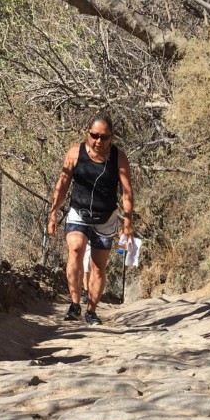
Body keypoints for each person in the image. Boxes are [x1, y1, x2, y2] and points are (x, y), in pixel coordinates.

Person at [48, 114, 134, 325]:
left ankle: (91, 311)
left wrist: (128, 224)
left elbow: (127, 192)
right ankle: (75, 304)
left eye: (104, 137)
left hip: (106, 218)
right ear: (87, 133)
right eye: (94, 135)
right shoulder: (75, 153)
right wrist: (53, 213)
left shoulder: (119, 158)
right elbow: (62, 184)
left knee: (98, 266)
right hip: (79, 213)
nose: (98, 141)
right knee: (76, 248)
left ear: (111, 138)